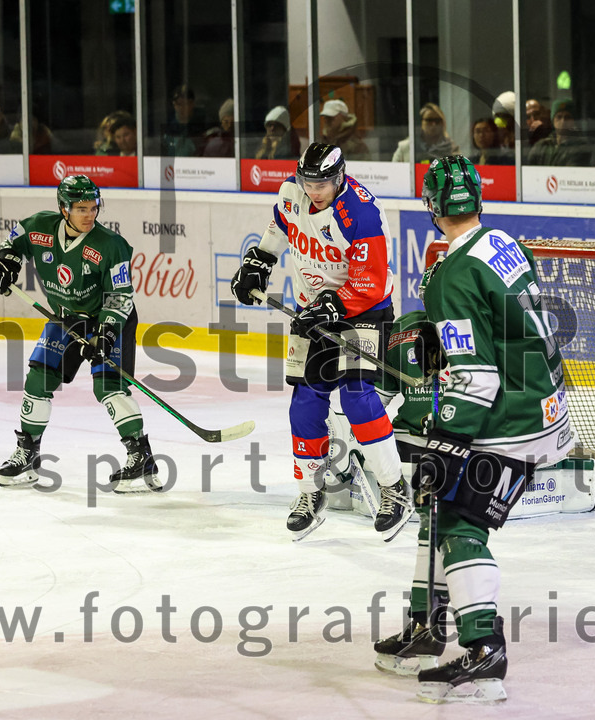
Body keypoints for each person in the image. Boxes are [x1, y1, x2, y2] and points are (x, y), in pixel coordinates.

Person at [390, 155, 574, 704]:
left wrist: (446, 444)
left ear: (431, 206)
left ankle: (484, 649)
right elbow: (499, 327)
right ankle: (428, 625)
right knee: (439, 510)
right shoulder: (501, 242)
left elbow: (475, 373)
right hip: (542, 403)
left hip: (512, 419)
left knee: (462, 524)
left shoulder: (450, 273)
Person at [229, 143, 411, 540]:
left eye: (323, 182)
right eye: (308, 181)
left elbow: (372, 281)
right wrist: (259, 261)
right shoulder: (291, 194)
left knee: (357, 398)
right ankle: (311, 494)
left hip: (364, 312)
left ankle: (395, 490)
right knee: (305, 402)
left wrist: (334, 303)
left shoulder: (360, 212)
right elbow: (279, 228)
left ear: (339, 176)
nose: (314, 190)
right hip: (312, 310)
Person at [0, 175, 159, 493]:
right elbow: (14, 242)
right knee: (39, 377)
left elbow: (120, 296)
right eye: (81, 208)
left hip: (109, 319)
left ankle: (140, 456)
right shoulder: (39, 226)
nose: (89, 215)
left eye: (93, 207)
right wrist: (6, 261)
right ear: (63, 209)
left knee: (108, 386)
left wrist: (104, 336)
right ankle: (28, 452)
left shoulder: (111, 245)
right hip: (66, 319)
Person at [527, 99, 590, 166]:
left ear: (573, 121)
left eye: (567, 117)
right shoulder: (542, 145)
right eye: (559, 117)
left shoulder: (581, 147)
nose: (563, 121)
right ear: (553, 121)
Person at [392, 103, 459, 163]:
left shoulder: (451, 148)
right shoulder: (406, 147)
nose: (434, 124)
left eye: (437, 120)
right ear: (421, 122)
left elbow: (457, 171)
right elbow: (394, 170)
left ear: (443, 123)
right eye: (429, 120)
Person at [162, 84, 208, 156]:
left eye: (185, 103)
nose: (181, 108)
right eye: (178, 104)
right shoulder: (168, 127)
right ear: (174, 105)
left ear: (192, 103)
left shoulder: (203, 125)